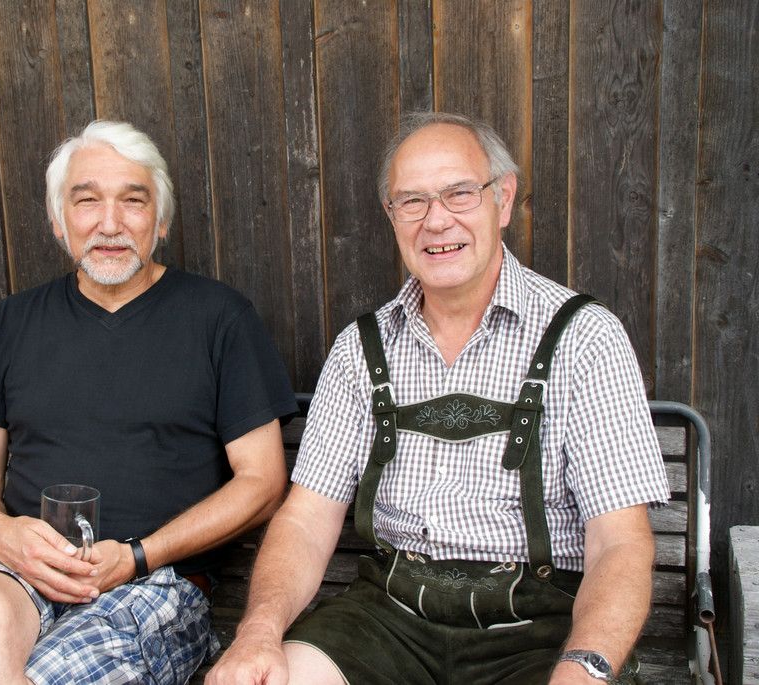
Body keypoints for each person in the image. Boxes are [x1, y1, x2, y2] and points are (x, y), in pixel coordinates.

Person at [206, 111, 669, 685]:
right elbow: (304, 520)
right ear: (392, 215)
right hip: (387, 620)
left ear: (503, 199)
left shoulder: (585, 337)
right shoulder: (361, 349)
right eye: (413, 201)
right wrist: (257, 634)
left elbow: (620, 543)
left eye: (459, 193)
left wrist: (585, 667)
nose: (436, 220)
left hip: (541, 629)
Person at [0, 120, 299, 685]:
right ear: (58, 220)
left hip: (154, 581)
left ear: (161, 221)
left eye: (133, 200)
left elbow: (263, 483)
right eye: (87, 201)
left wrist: (137, 554)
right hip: (22, 566)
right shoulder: (10, 324)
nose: (109, 223)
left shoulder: (219, 319)